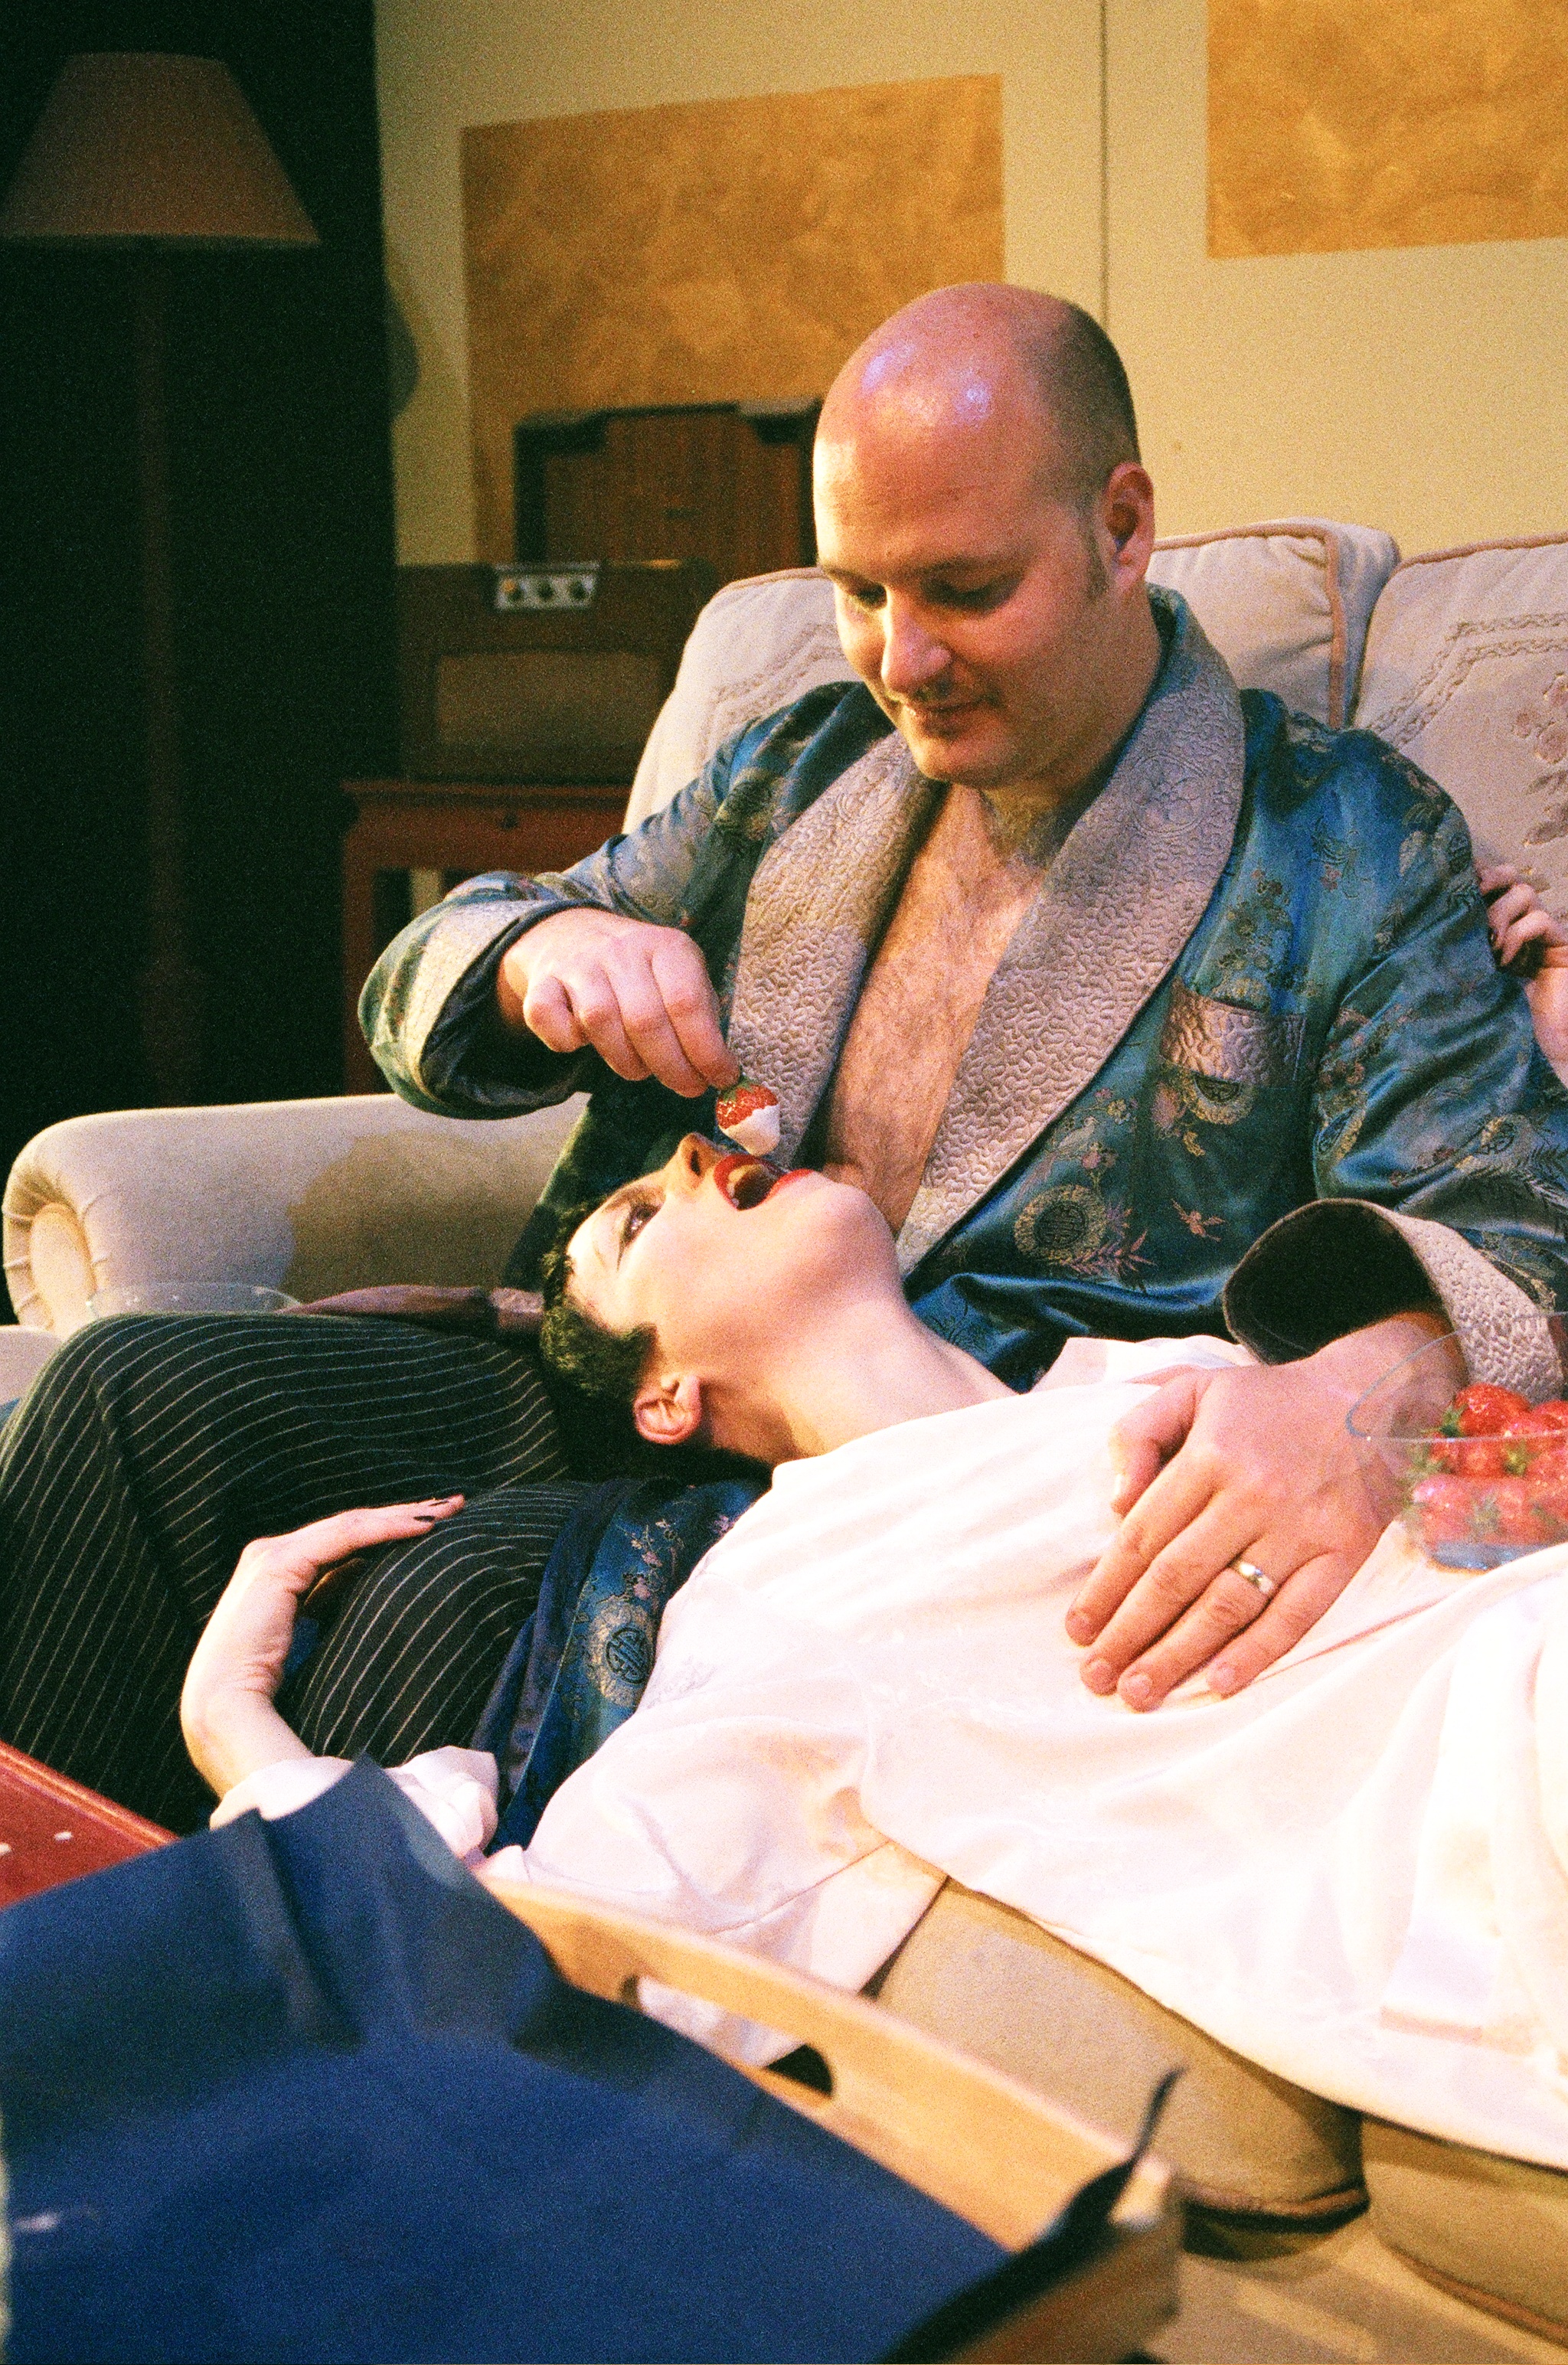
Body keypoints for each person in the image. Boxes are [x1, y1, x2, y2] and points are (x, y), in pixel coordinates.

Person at [5, 286, 1568, 1834]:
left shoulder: (1345, 843)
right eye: (858, 592)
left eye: (964, 589)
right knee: (130, 1389)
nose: (905, 657)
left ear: (1121, 526)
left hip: (900, 1488)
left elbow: (1510, 1220)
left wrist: (1369, 1379)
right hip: (611, 1371)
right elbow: (424, 977)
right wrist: (536, 952)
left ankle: (254, 1964)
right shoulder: (801, 767)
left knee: (445, 1602)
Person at [183, 1137, 1568, 2171]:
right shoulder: (785, 1596)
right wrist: (237, 1731)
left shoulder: (1138, 1368)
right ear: (665, 1397)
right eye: (640, 1218)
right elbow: (512, 1977)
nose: (697, 1152)